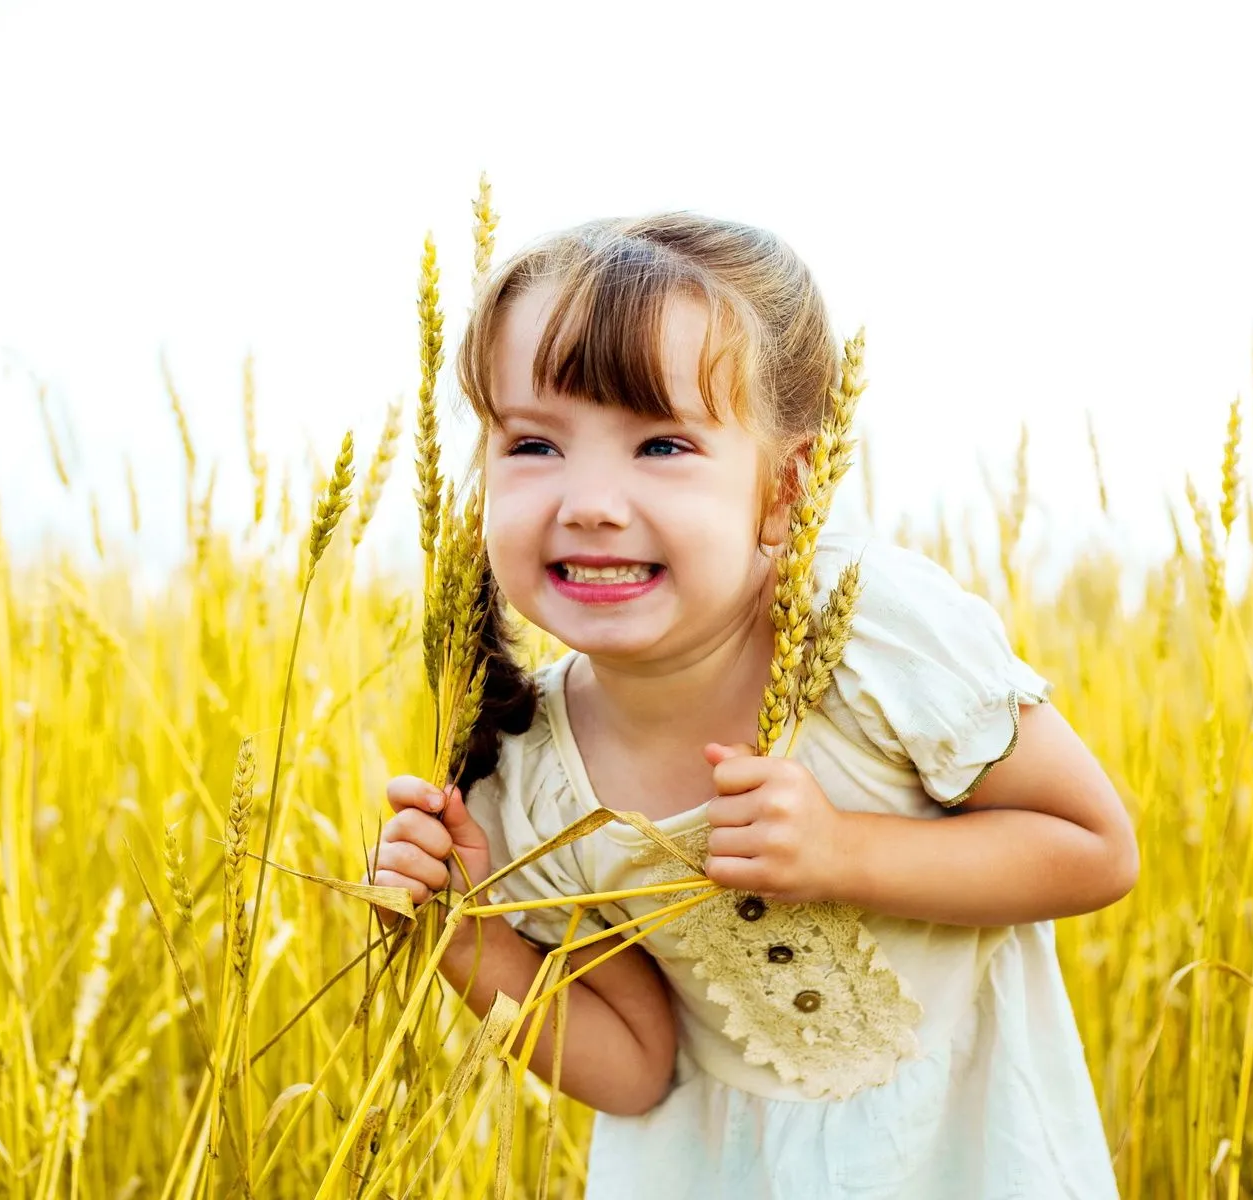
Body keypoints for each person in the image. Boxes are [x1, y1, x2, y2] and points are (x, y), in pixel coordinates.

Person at [367, 211, 1138, 1198]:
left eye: (660, 445)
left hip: (960, 1160)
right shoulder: (532, 774)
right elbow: (634, 1067)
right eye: (533, 445)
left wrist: (842, 854)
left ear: (785, 489)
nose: (591, 501)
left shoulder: (866, 639)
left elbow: (1094, 846)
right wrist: (462, 938)